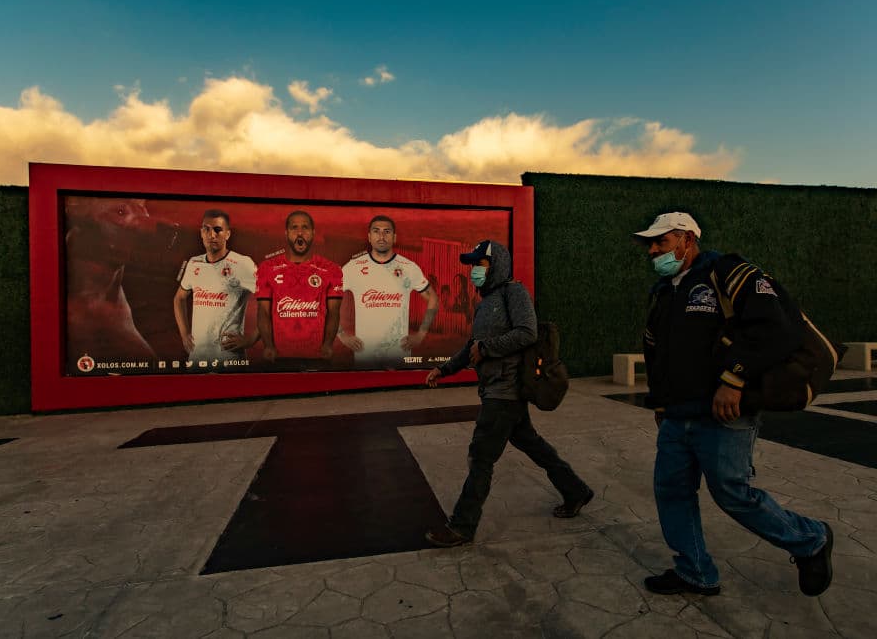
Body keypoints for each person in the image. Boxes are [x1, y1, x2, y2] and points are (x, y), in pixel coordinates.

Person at [634, 211, 833, 597]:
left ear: (688, 239)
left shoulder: (728, 272)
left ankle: (811, 539)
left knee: (732, 493)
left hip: (723, 414)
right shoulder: (664, 292)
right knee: (671, 491)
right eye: (651, 243)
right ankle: (694, 572)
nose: (653, 250)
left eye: (662, 241)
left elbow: (775, 326)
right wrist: (659, 403)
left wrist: (734, 378)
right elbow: (656, 353)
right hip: (677, 417)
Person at [423, 240, 594, 547]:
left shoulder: (514, 293)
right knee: (534, 446)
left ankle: (462, 526)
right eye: (473, 264)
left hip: (507, 390)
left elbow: (527, 331)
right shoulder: (485, 301)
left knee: (481, 456)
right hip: (494, 388)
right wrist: (445, 369)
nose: (475, 269)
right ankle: (576, 491)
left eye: (481, 263)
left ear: (497, 265)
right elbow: (471, 346)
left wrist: (487, 348)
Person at [339, 215, 439, 368]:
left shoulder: (408, 267)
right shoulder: (353, 267)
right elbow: (327, 298)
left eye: (387, 232)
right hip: (365, 355)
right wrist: (342, 335)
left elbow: (433, 298)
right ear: (369, 237)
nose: (381, 236)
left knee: (402, 391)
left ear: (394, 237)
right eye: (376, 231)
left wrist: (420, 335)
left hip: (399, 355)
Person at [254, 210, 343, 369]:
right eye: (294, 228)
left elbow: (334, 312)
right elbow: (263, 311)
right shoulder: (267, 268)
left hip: (318, 357)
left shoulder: (330, 269)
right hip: (278, 357)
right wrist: (268, 346)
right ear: (286, 233)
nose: (300, 232)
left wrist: (328, 344)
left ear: (313, 233)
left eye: (305, 228)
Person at [172, 209, 257, 367]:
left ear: (228, 234)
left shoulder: (243, 264)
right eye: (207, 229)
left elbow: (271, 300)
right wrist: (184, 335)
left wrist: (251, 339)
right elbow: (179, 299)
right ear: (201, 233)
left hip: (229, 361)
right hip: (197, 360)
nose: (212, 235)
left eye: (218, 230)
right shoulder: (193, 263)